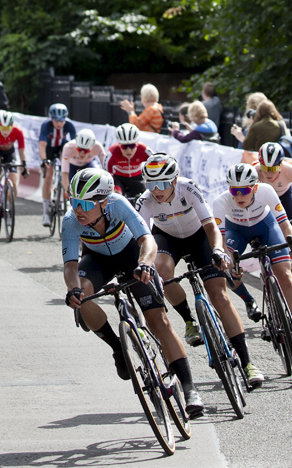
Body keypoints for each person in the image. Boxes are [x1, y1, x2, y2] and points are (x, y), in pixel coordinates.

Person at [61, 167, 205, 418]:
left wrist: (146, 263)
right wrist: (73, 288)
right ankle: (119, 348)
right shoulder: (70, 221)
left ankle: (190, 389)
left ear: (103, 202)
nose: (78, 210)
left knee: (159, 321)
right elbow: (71, 265)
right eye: (74, 201)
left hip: (131, 257)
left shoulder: (118, 205)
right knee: (83, 297)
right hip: (97, 260)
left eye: (85, 203)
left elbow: (148, 240)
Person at [136, 153, 265, 390]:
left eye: (163, 184)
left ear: (174, 180)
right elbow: (144, 239)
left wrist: (217, 249)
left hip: (199, 238)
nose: (157, 190)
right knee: (161, 271)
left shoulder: (188, 188)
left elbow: (210, 225)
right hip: (168, 239)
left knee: (219, 296)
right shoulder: (145, 201)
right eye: (151, 184)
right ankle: (188, 319)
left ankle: (247, 363)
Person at [214, 163, 292, 360]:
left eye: (244, 190)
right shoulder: (221, 202)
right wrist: (229, 262)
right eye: (234, 190)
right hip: (237, 231)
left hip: (266, 226)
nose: (239, 196)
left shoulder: (266, 191)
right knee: (225, 268)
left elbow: (285, 225)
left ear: (254, 187)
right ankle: (249, 300)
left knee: (285, 276)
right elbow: (222, 242)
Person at [0, 109, 29, 209]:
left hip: (9, 153)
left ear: (12, 126)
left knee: (13, 181)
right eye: (2, 127)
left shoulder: (18, 132)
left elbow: (21, 152)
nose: (5, 131)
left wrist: (24, 166)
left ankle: (10, 206)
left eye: (8, 127)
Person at [39, 103, 77, 214]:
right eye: (56, 120)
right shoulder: (46, 125)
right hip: (49, 149)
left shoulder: (69, 125)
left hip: (62, 147)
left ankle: (64, 185)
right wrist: (44, 160)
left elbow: (74, 144)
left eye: (62, 120)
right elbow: (42, 146)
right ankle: (46, 211)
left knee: (66, 162)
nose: (59, 123)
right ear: (51, 118)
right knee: (48, 175)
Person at [106, 123, 150, 200]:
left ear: (137, 143)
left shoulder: (144, 149)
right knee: (116, 197)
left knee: (146, 197)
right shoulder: (112, 152)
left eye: (132, 146)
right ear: (119, 144)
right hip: (119, 179)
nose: (128, 150)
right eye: (124, 146)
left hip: (137, 177)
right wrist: (112, 188)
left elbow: (154, 165)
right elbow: (107, 174)